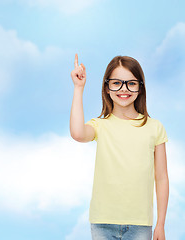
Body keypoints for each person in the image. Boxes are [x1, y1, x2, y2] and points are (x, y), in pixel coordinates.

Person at [70, 54, 169, 240]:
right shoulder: (100, 125)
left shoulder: (155, 127)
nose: (124, 89)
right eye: (116, 83)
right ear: (107, 88)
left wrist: (161, 224)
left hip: (140, 224)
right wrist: (78, 88)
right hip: (102, 222)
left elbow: (162, 178)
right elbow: (77, 133)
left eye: (131, 83)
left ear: (140, 87)